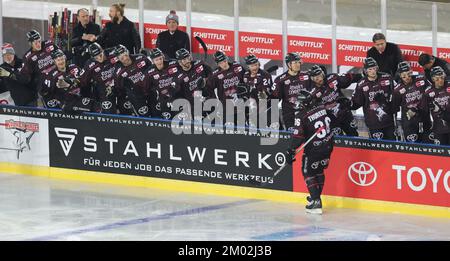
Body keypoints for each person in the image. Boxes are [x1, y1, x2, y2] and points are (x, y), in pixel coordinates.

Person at [285, 89, 335, 215]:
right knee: (319, 170)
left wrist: (290, 151)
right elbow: (332, 120)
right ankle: (314, 197)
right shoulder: (321, 108)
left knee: (307, 171)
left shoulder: (301, 115)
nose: (297, 104)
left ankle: (316, 201)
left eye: (299, 102)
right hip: (328, 145)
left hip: (314, 149)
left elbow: (297, 137)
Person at [308, 65, 361, 136]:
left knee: (354, 134)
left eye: (320, 75)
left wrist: (363, 75)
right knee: (337, 140)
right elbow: (312, 108)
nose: (319, 79)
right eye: (316, 78)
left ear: (323, 74)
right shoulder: (311, 92)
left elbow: (350, 78)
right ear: (312, 79)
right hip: (330, 119)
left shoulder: (332, 78)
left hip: (344, 113)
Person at [350, 57, 396, 140]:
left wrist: (389, 99)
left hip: (389, 121)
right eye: (370, 69)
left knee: (392, 147)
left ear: (377, 68)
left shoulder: (387, 77)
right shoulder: (361, 84)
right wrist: (348, 104)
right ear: (365, 70)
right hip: (373, 123)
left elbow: (397, 93)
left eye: (374, 68)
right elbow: (356, 102)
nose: (372, 71)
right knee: (377, 149)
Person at [392, 62, 431, 143]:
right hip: (409, 123)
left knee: (427, 146)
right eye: (404, 76)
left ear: (411, 71)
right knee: (413, 147)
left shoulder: (421, 79)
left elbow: (431, 94)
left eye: (409, 74)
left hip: (424, 119)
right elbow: (394, 107)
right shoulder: (397, 90)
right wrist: (395, 125)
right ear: (400, 75)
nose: (407, 77)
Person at [19, 30, 60, 106]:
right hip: (46, 86)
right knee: (53, 110)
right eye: (35, 43)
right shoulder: (28, 57)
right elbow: (26, 76)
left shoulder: (48, 44)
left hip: (59, 79)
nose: (38, 44)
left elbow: (61, 56)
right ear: (30, 43)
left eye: (39, 41)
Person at [272, 53, 310, 131]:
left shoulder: (307, 76)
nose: (298, 64)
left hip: (305, 111)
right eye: (295, 62)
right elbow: (275, 98)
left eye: (299, 62)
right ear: (289, 65)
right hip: (289, 113)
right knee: (293, 136)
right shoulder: (280, 80)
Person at [206, 51, 245, 126]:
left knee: (242, 130)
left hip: (240, 105)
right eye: (220, 63)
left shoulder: (237, 67)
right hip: (226, 108)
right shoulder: (215, 74)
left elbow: (246, 81)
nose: (224, 64)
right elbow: (208, 89)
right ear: (217, 64)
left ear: (227, 59)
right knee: (228, 132)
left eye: (224, 61)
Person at [79, 43, 119, 114]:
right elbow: (82, 80)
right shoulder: (89, 64)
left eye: (100, 55)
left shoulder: (113, 52)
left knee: (126, 106)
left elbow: (126, 56)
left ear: (102, 50)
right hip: (104, 88)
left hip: (119, 82)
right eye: (96, 57)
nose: (99, 58)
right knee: (108, 111)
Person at [174, 48, 212, 121]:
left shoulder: (200, 64)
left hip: (209, 100)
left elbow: (212, 76)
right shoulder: (179, 77)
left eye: (188, 58)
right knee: (200, 128)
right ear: (179, 62)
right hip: (195, 106)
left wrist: (206, 81)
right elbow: (178, 95)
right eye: (184, 60)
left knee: (217, 124)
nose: (188, 61)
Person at [115, 44, 153, 117]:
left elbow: (152, 69)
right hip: (136, 96)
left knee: (156, 112)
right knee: (144, 116)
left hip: (150, 89)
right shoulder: (118, 72)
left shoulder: (141, 58)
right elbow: (118, 87)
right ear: (118, 59)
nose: (125, 59)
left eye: (125, 55)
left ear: (128, 52)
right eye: (122, 58)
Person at [147, 48, 181, 120]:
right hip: (163, 100)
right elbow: (147, 86)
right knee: (167, 120)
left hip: (178, 97)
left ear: (163, 57)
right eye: (156, 60)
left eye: (160, 58)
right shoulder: (149, 71)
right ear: (152, 61)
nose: (159, 61)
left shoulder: (173, 63)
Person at [242, 54, 273, 128]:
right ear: (248, 66)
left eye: (256, 65)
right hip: (251, 105)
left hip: (265, 105)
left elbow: (266, 94)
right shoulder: (246, 75)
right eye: (252, 66)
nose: (255, 67)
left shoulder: (265, 75)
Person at [421, 66, 450, 145]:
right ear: (433, 79)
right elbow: (424, 111)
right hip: (439, 129)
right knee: (440, 154)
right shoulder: (428, 92)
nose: (440, 80)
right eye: (437, 79)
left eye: (442, 77)